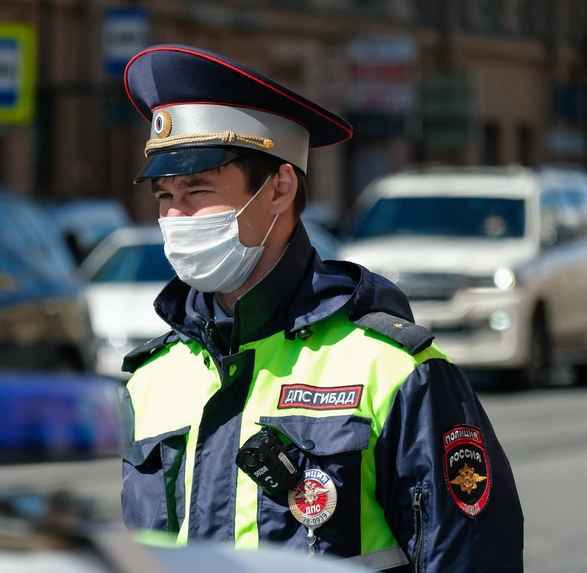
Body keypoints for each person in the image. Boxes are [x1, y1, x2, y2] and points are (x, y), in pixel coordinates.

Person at [119, 45, 524, 572]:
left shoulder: (392, 368)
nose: (177, 215)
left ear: (280, 188)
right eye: (164, 196)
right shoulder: (151, 378)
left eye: (197, 188)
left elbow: (470, 558)